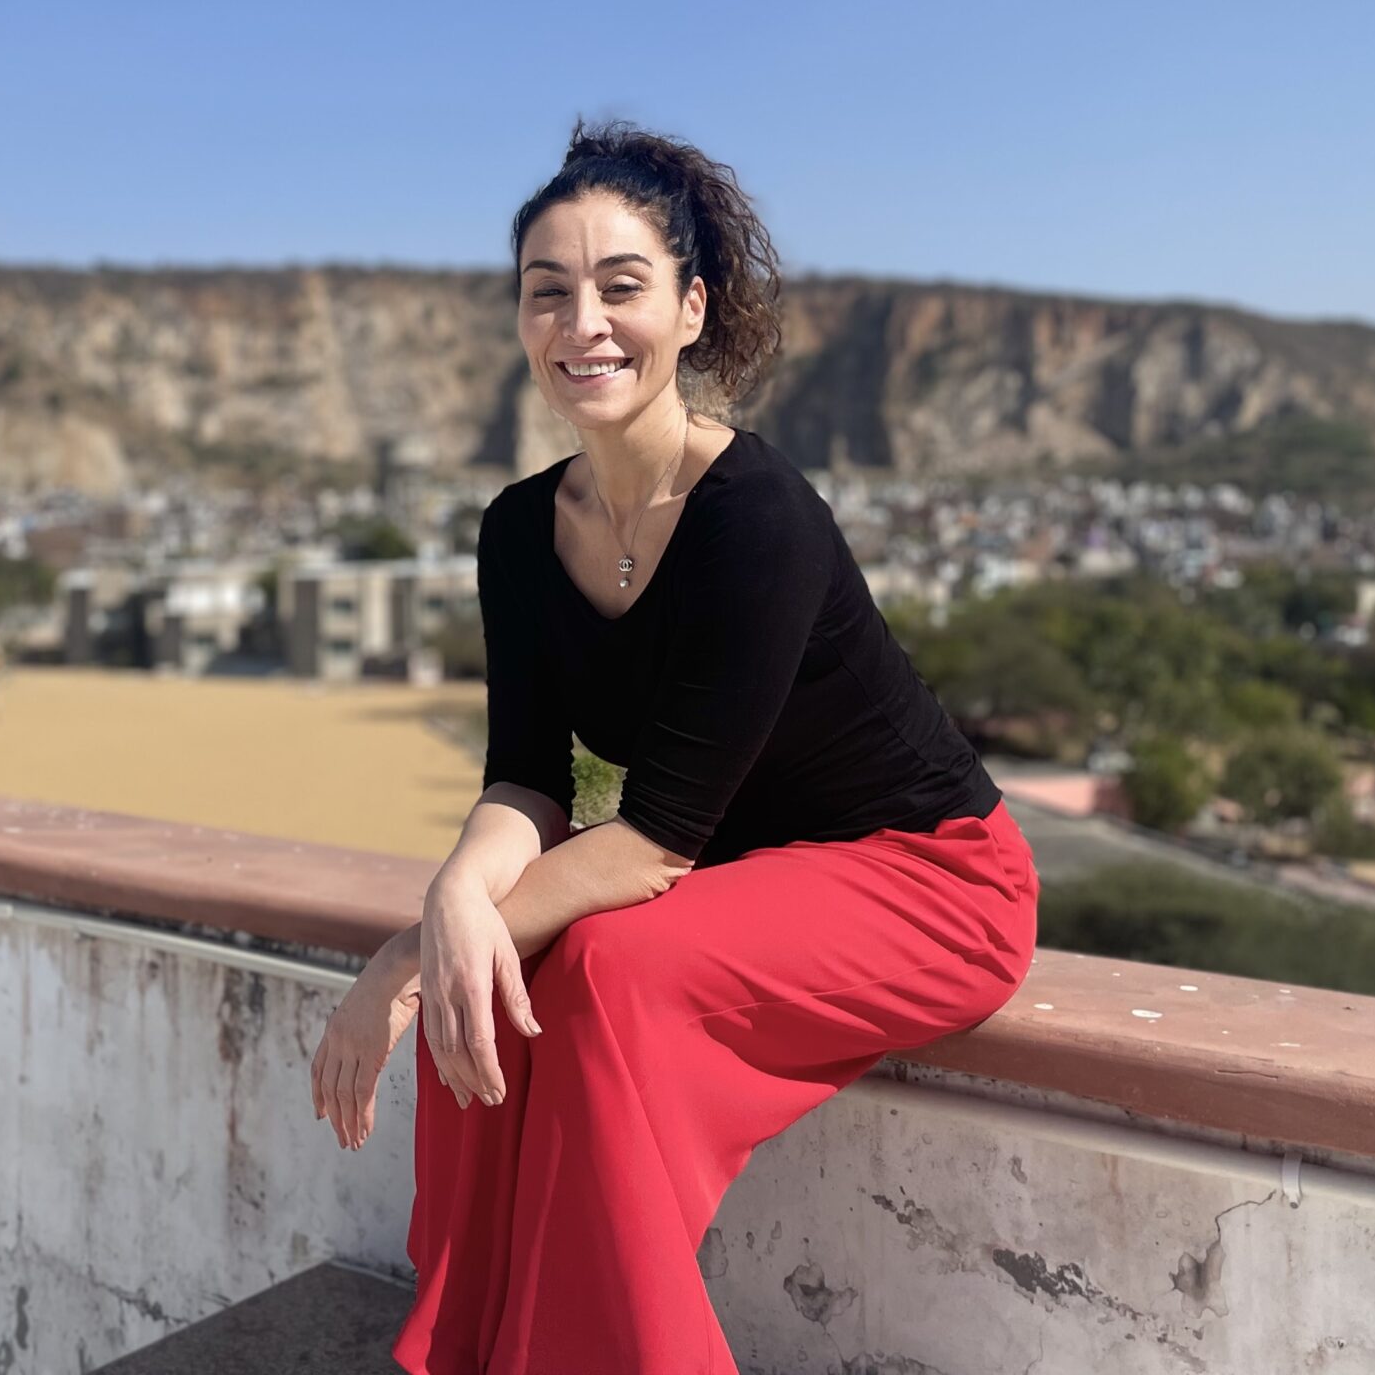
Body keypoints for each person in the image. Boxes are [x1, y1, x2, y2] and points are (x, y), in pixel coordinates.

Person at [307, 118, 1041, 1375]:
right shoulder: (517, 530)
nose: (582, 322)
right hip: (738, 874)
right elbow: (527, 777)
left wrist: (405, 958)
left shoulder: (757, 515)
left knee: (592, 967)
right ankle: (475, 1346)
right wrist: (449, 904)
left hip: (927, 878)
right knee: (493, 957)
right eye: (547, 291)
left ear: (691, 310)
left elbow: (651, 844)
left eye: (621, 286)